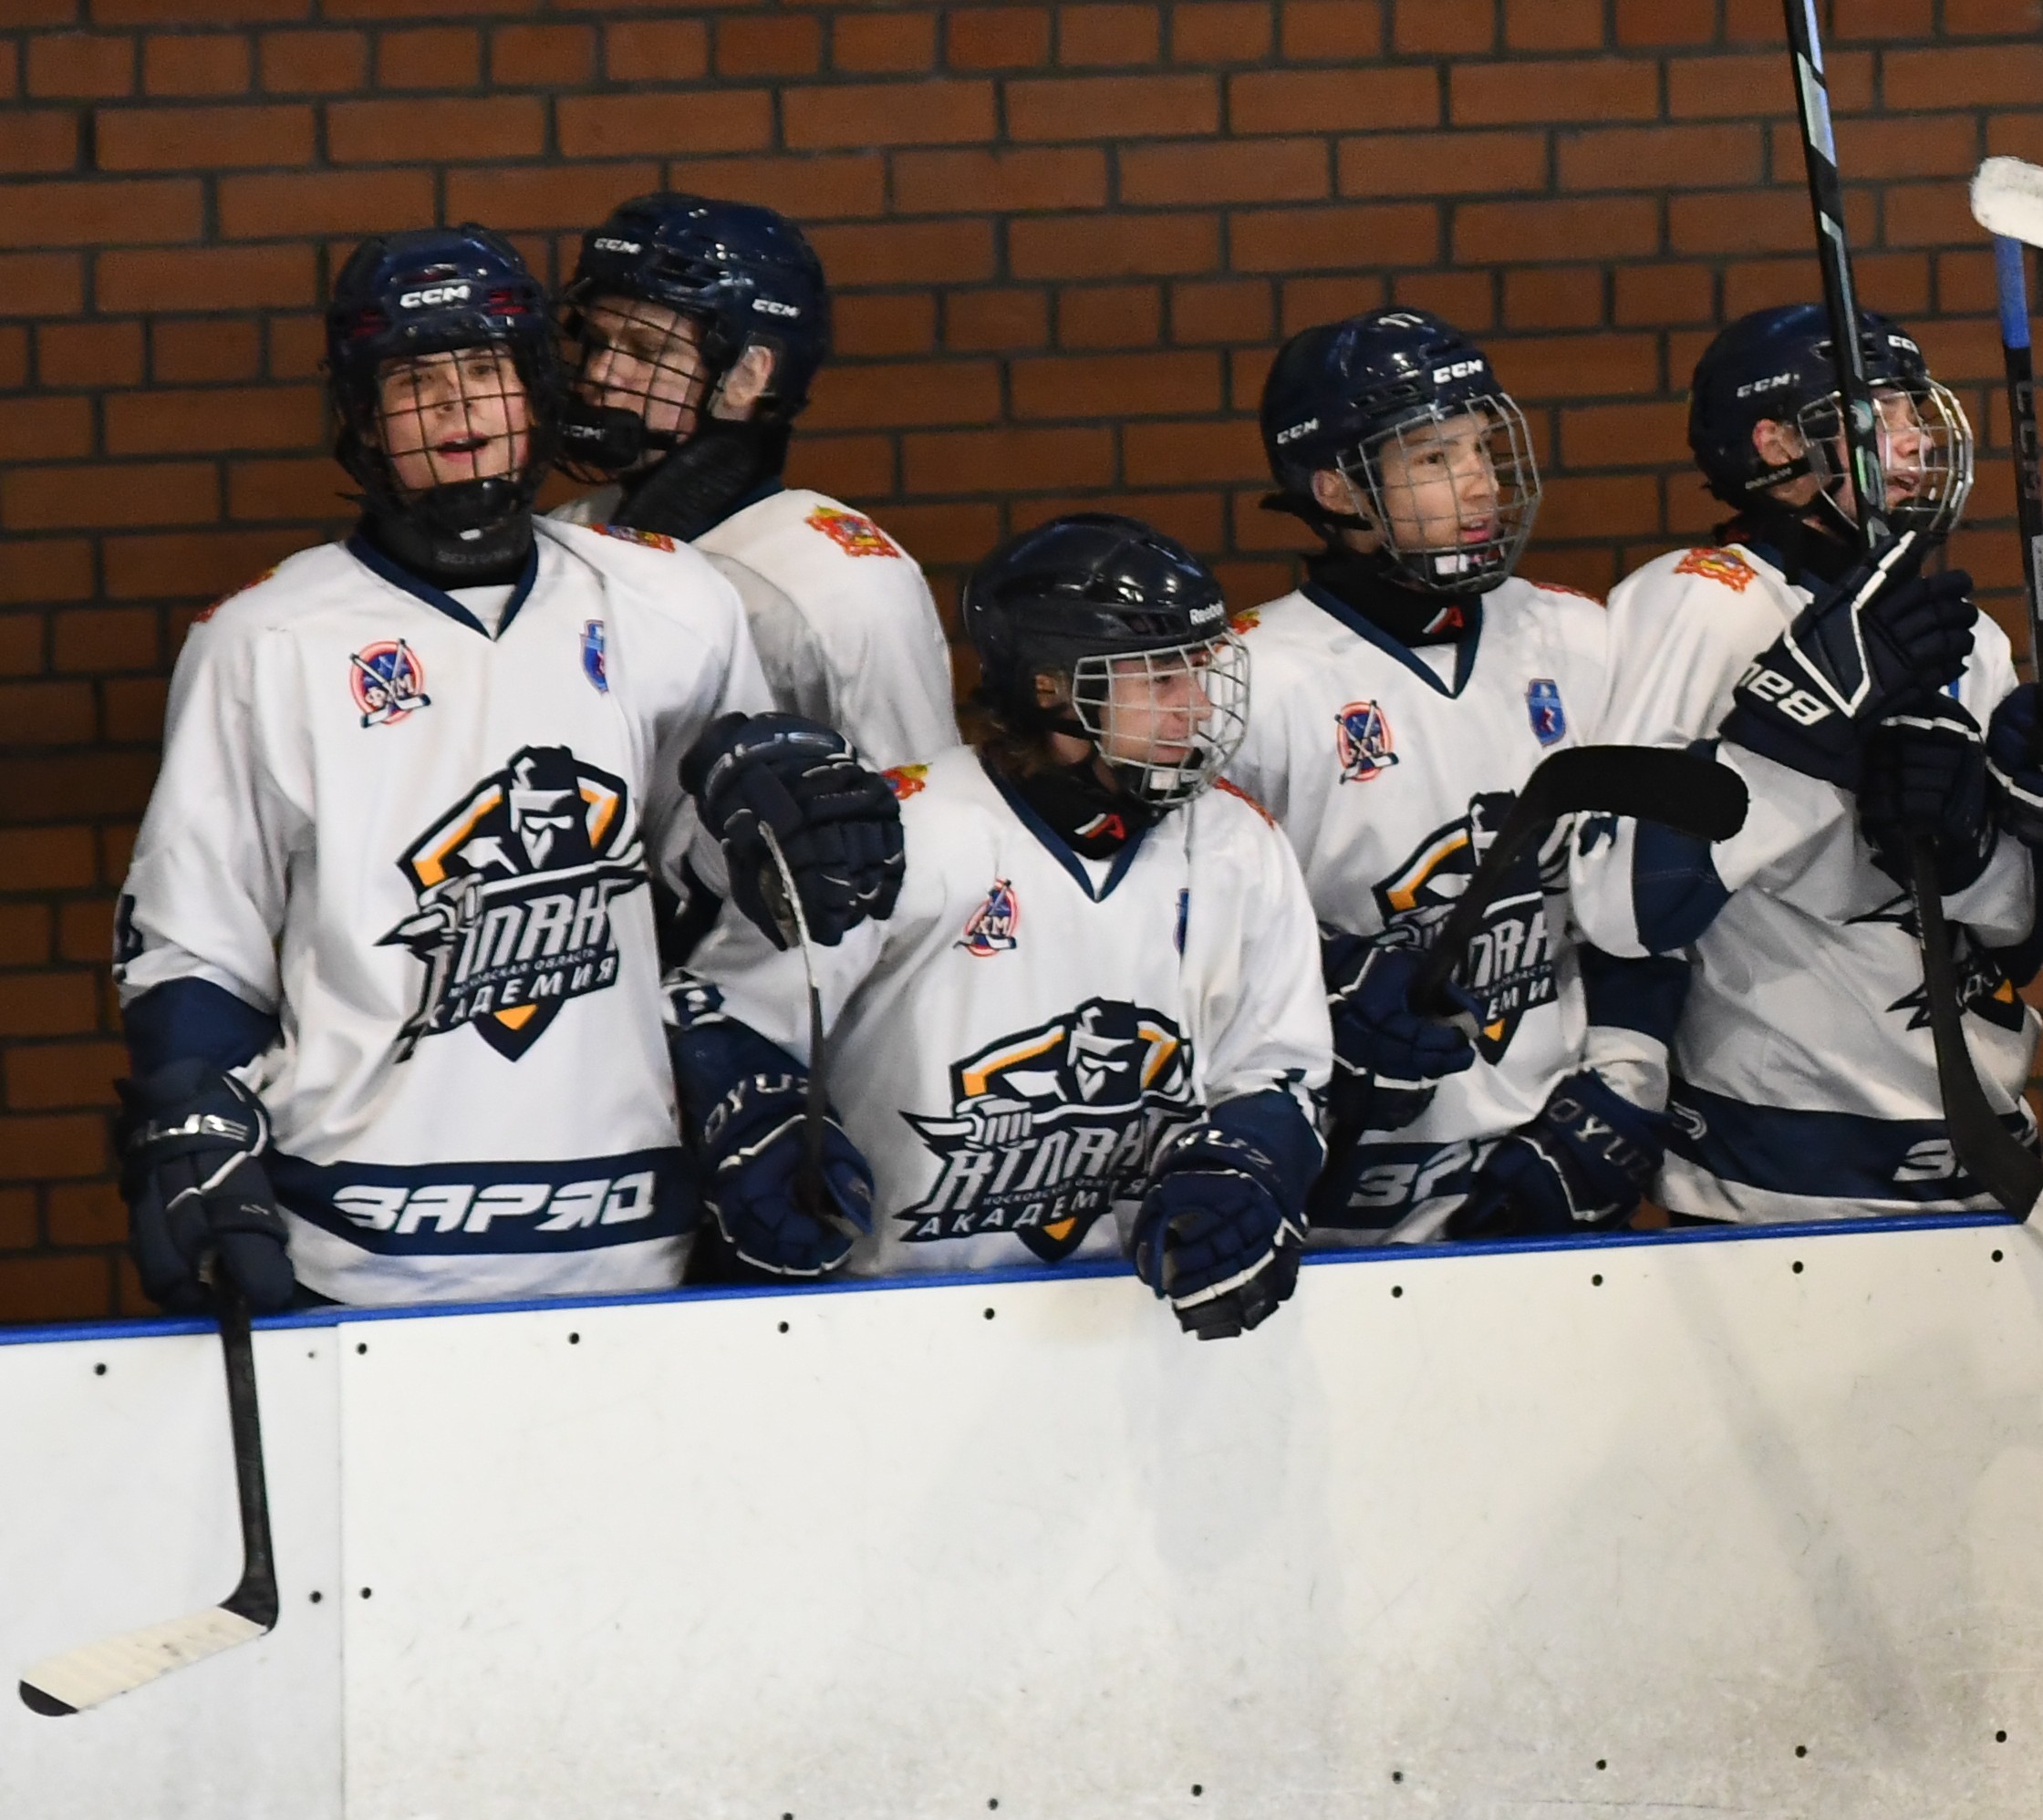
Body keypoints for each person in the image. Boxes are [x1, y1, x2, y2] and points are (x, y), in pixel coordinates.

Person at [113, 224, 890, 1313]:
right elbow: (195, 946)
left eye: (485, 373)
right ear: (359, 417)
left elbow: (720, 895)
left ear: (534, 394)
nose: (457, 412)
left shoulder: (675, 604)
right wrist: (194, 1117)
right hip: (359, 1238)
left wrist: (746, 1030)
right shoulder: (265, 639)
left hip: (633, 1232)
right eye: (416, 381)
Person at [664, 516, 1325, 1337]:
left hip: (1122, 1324)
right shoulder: (913, 829)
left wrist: (1249, 1162)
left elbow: (1277, 1068)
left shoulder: (1239, 844)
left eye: (1199, 670)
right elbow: (721, 1013)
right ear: (1049, 688)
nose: (1194, 708)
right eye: (1158, 680)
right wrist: (762, 1122)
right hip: (891, 1321)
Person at [1593, 306, 2043, 1222]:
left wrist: (1976, 846)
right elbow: (1627, 901)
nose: (1912, 441)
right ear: (1774, 443)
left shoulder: (1962, 635)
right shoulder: (1704, 604)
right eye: (1875, 416)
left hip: (1981, 1153)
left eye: (1911, 413)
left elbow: (2019, 939)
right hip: (1779, 1172)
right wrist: (1798, 744)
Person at [1224, 309, 1683, 1246]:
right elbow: (1201, 941)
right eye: (1433, 460)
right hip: (1350, 1196)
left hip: (1554, 1159)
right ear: (1338, 490)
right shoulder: (1249, 680)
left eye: (1479, 447)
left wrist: (1620, 1096)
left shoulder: (1577, 637)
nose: (1478, 481)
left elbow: (1638, 902)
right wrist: (1328, 989)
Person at [545, 196, 961, 792]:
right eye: (597, 341)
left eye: (646, 350)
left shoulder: (842, 585)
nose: (602, 375)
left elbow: (918, 814)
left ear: (748, 376)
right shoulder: (571, 534)